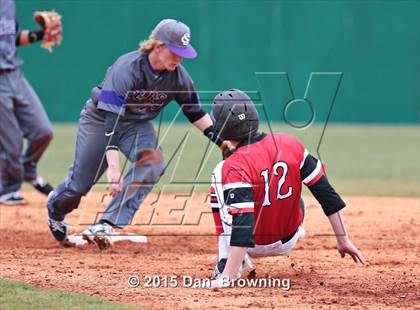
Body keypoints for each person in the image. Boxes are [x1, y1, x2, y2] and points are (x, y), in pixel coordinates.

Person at [46, 19, 225, 249]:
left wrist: (222, 143)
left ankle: (106, 224)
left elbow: (195, 112)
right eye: (175, 52)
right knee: (79, 185)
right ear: (157, 46)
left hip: (136, 125)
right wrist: (113, 167)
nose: (179, 58)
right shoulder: (126, 69)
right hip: (101, 119)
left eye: (183, 53)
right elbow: (112, 119)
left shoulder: (178, 77)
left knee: (154, 161)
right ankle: (55, 208)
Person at [208, 89, 366, 288]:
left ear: (221, 128)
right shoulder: (290, 143)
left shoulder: (233, 165)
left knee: (220, 175)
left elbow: (243, 222)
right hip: (289, 240)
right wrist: (343, 240)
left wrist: (228, 277)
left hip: (251, 245)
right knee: (299, 192)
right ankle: (235, 261)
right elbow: (326, 193)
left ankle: (226, 264)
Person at [0, 0, 55, 205]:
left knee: (43, 131)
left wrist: (41, 34)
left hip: (14, 73)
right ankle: (8, 188)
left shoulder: (7, 3)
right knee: (11, 142)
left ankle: (28, 171)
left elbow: (12, 37)